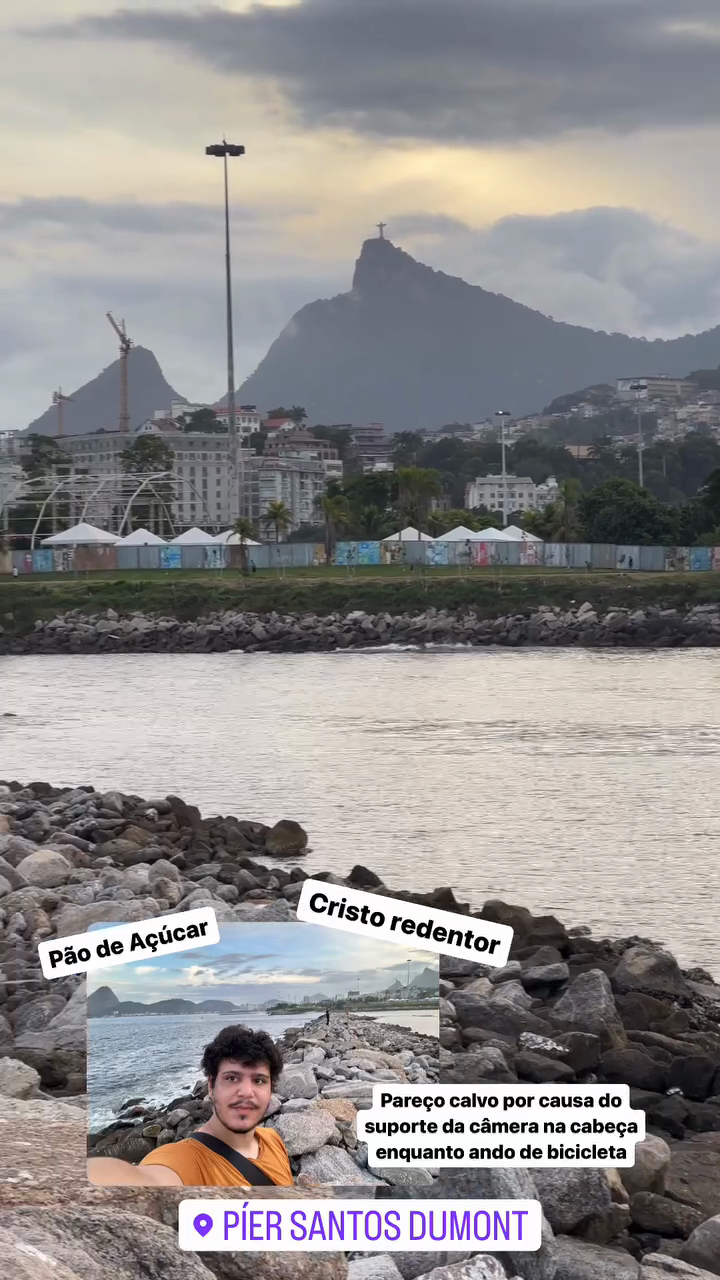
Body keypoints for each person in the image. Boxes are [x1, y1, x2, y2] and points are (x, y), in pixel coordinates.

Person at [88, 1025, 292, 1187]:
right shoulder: (186, 1161)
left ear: (270, 1089)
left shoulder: (273, 1140)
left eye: (259, 1081)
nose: (246, 1091)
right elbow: (144, 1179)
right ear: (211, 1086)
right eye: (232, 1078)